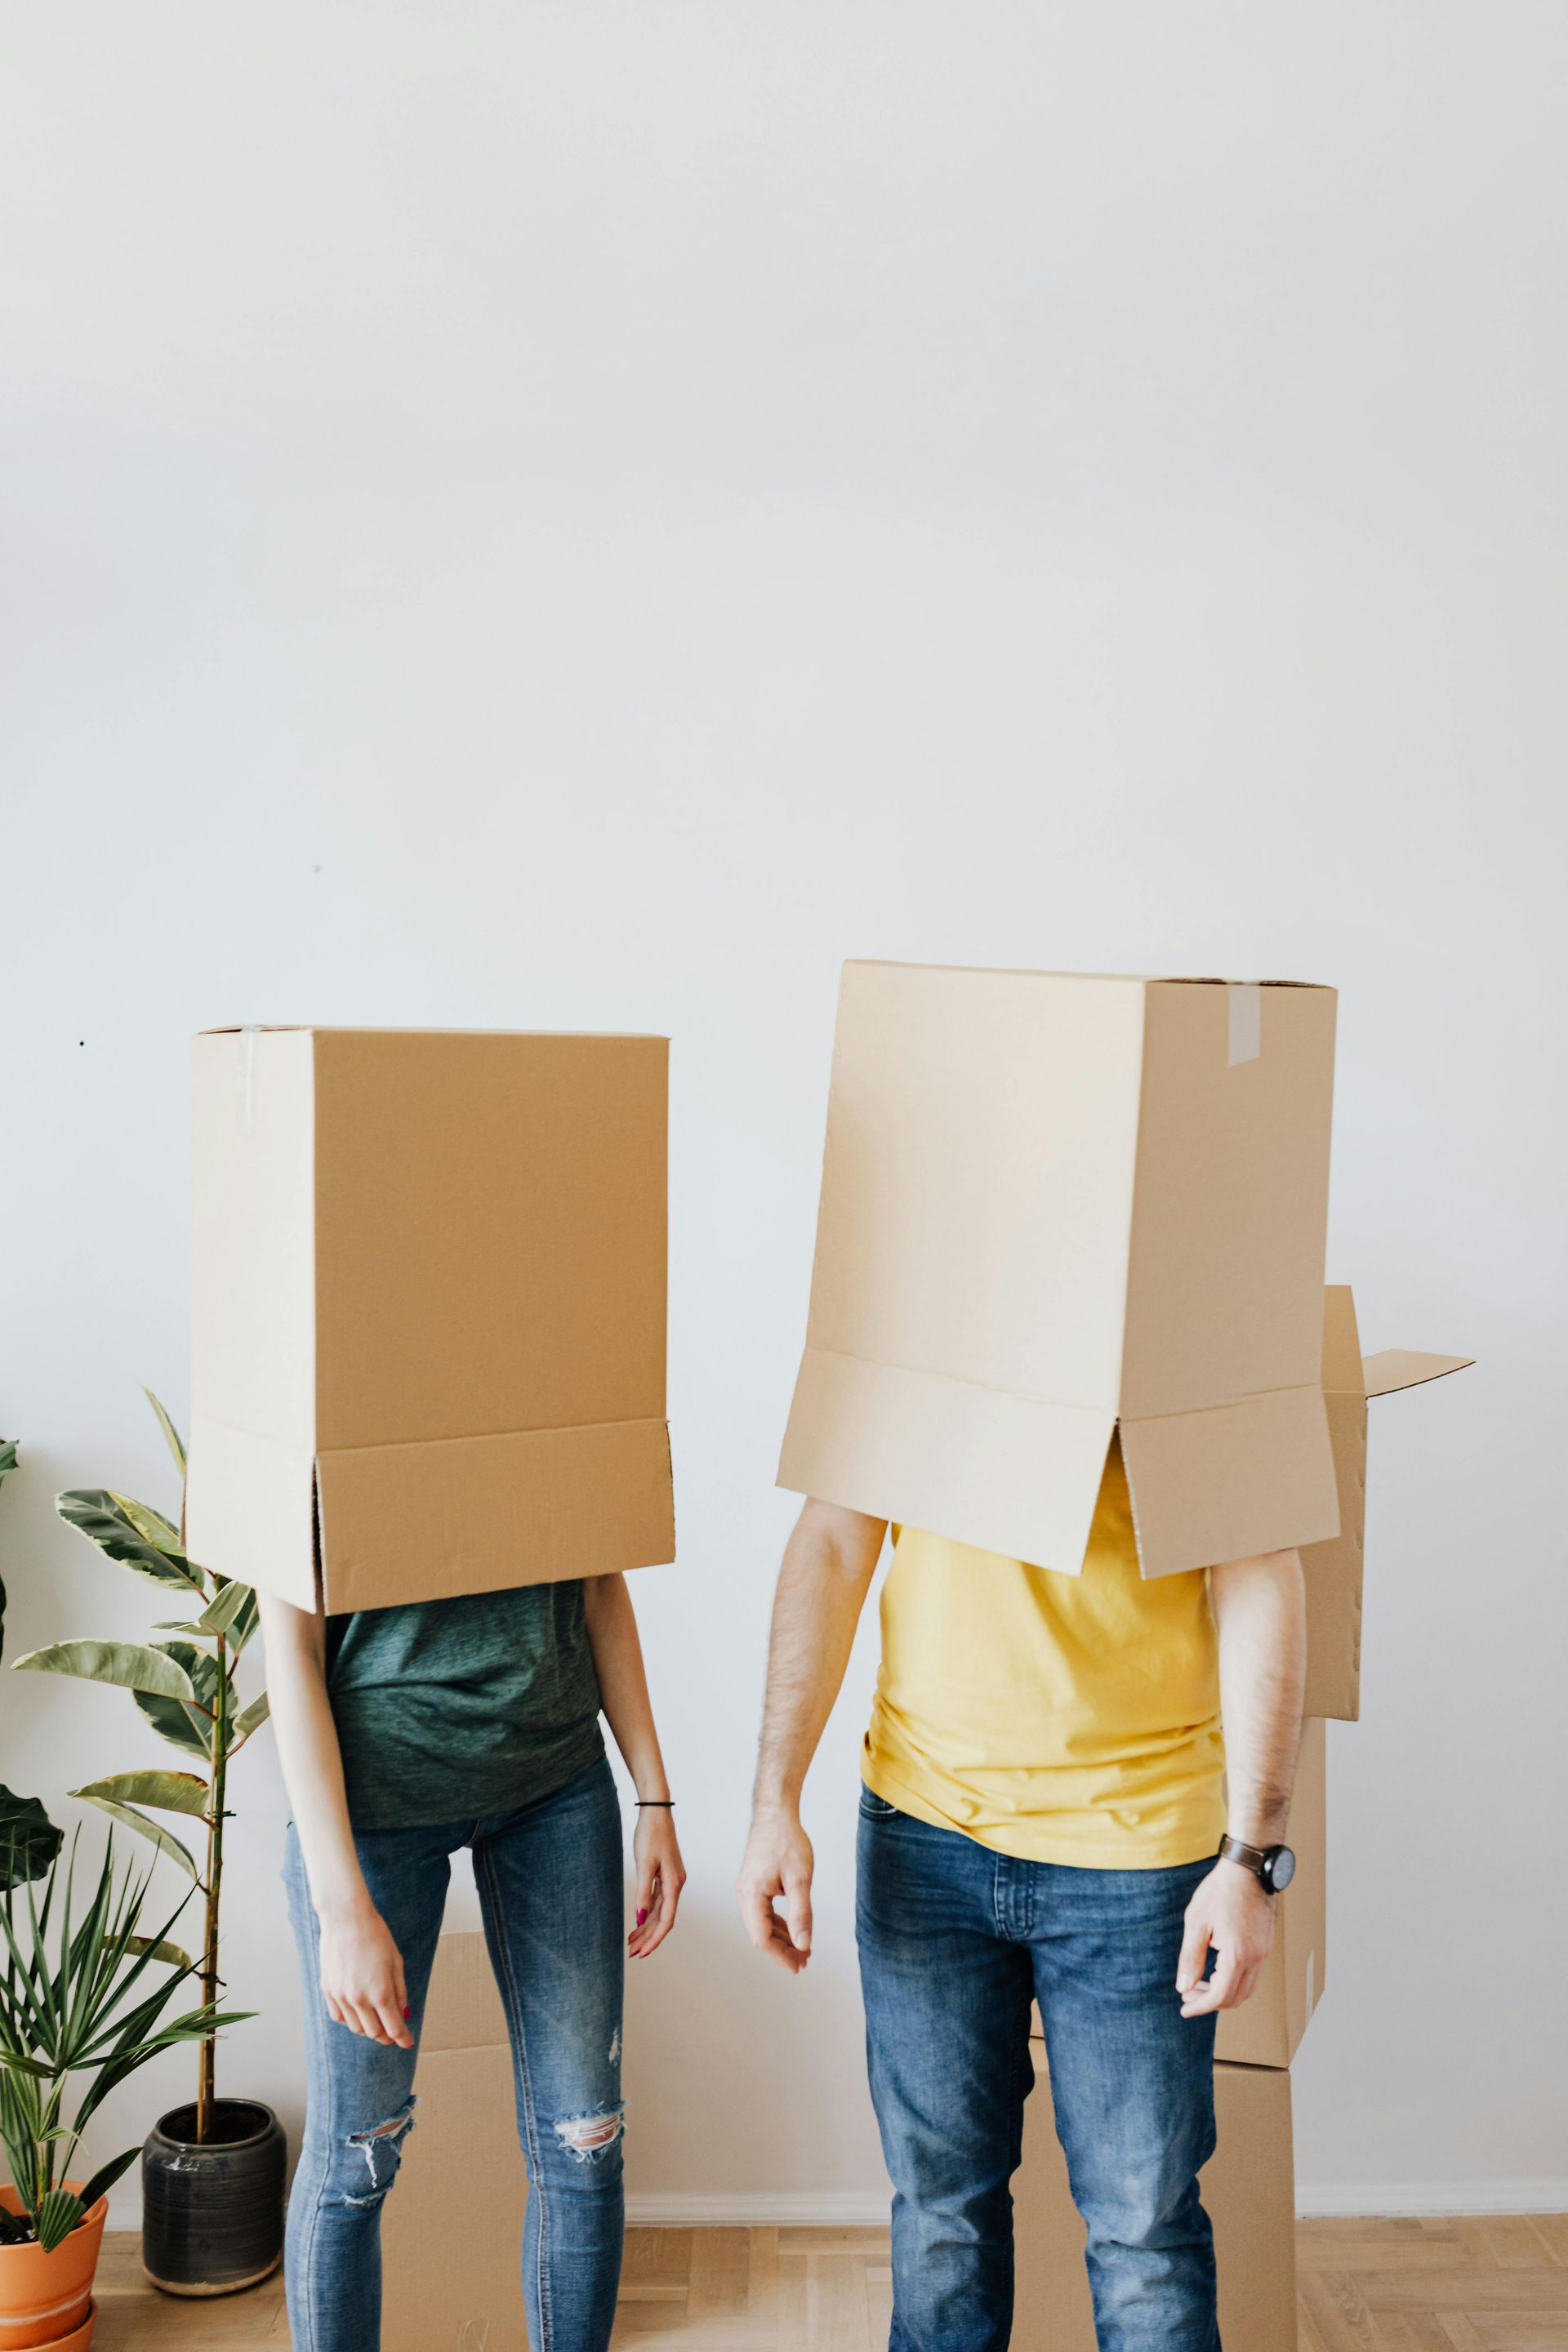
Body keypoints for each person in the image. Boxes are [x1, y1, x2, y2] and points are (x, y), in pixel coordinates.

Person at [736, 1437, 1305, 2352]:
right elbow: (834, 1538)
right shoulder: (908, 1298)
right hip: (923, 1833)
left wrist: (1248, 1860)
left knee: (1144, 2230)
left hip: (1138, 1846)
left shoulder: (1187, 1301)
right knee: (939, 2213)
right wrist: (775, 1802)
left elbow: (1261, 1569)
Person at [262, 1568, 684, 2352]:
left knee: (585, 2142)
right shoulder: (305, 1441)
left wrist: (653, 1797)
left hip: (554, 1781)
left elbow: (599, 1586)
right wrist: (340, 1905)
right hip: (373, 1804)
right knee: (357, 2156)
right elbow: (288, 1638)